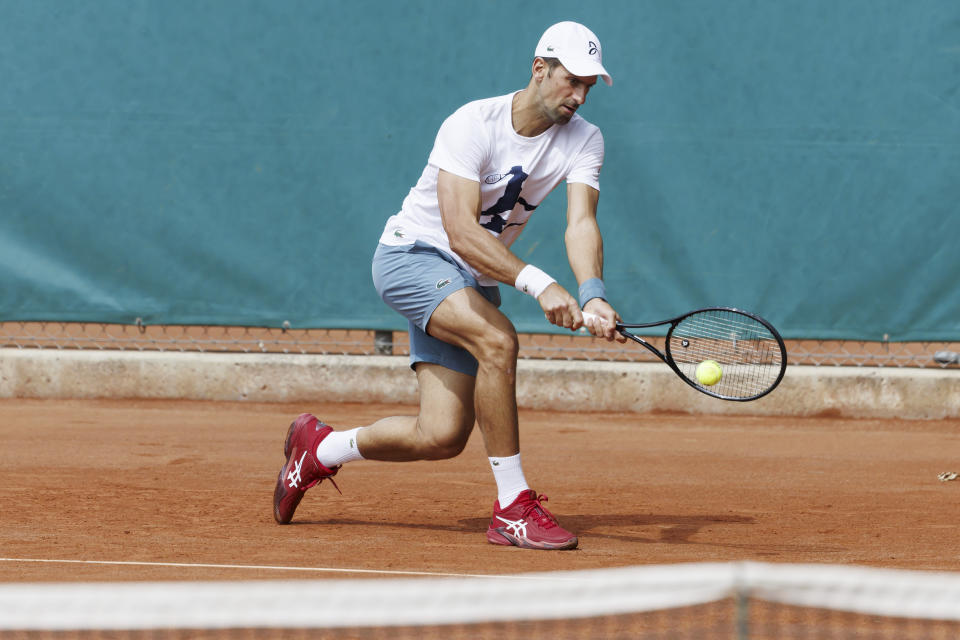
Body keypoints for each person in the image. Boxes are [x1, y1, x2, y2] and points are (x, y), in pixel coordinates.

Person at [273, 21, 625, 550]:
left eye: (588, 86)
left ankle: (318, 450)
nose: (578, 95)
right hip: (411, 256)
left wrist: (592, 290)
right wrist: (540, 284)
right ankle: (512, 508)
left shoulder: (586, 140)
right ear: (539, 68)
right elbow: (460, 232)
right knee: (498, 340)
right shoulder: (472, 123)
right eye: (570, 81)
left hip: (472, 277)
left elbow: (581, 223)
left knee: (440, 435)